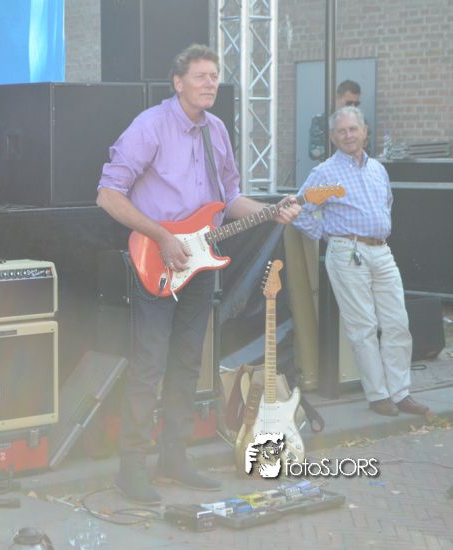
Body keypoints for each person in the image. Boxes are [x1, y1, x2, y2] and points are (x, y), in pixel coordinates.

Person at [97, 44, 301, 504]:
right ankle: (131, 469)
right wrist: (161, 236)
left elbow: (230, 200)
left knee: (188, 363)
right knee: (149, 365)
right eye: (200, 76)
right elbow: (108, 194)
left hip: (200, 262)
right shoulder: (150, 126)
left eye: (214, 76)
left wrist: (271, 211)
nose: (210, 83)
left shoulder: (217, 131)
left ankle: (173, 459)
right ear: (178, 82)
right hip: (157, 260)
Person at [294, 106, 429, 418]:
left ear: (364, 131)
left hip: (381, 250)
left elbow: (387, 204)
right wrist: (327, 235)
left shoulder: (377, 169)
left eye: (353, 129)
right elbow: (299, 208)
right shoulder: (325, 172)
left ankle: (401, 393)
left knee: (397, 323)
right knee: (363, 327)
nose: (348, 135)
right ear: (332, 137)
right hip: (348, 251)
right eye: (341, 131)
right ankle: (378, 395)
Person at [309, 79, 362, 161]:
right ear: (337, 98)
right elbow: (314, 152)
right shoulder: (320, 121)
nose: (353, 107)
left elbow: (365, 150)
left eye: (356, 104)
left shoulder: (361, 121)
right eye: (349, 103)